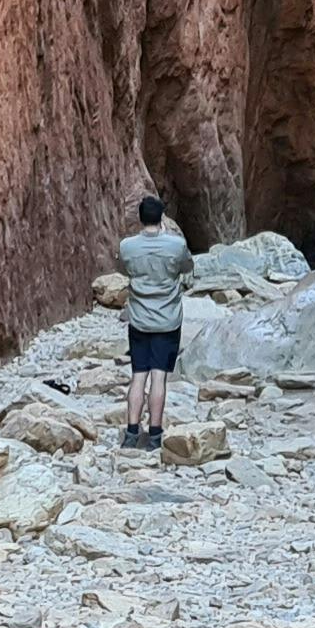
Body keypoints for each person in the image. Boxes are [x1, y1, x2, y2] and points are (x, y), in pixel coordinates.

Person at [116, 191, 192, 451]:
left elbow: (122, 269)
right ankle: (156, 435)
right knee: (158, 377)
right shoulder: (176, 245)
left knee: (138, 376)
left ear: (140, 218)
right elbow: (187, 268)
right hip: (168, 321)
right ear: (161, 218)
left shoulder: (127, 246)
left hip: (139, 320)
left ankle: (131, 433)